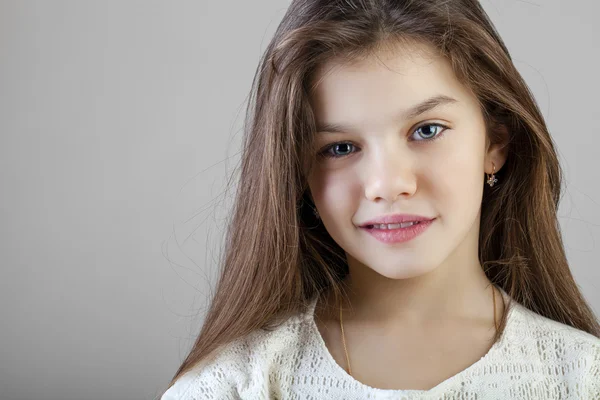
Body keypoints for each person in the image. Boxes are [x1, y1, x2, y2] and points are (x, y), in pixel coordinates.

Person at [160, 0, 600, 398]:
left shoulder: (582, 378)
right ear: (297, 174)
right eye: (340, 148)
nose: (387, 184)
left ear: (495, 145)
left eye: (427, 130)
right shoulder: (234, 385)